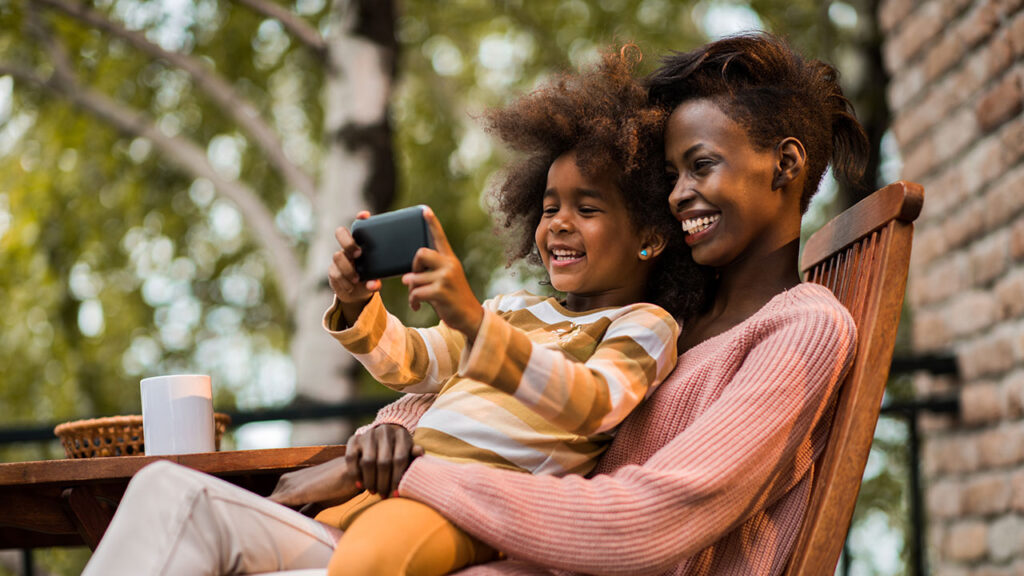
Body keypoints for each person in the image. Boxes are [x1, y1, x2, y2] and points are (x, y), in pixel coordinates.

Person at [80, 49, 706, 576]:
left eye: (587, 209)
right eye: (548, 207)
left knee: (368, 558)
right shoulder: (514, 310)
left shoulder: (643, 326)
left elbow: (592, 401)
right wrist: (360, 304)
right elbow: (411, 363)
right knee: (167, 490)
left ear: (650, 235)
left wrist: (473, 322)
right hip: (370, 503)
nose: (559, 223)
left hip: (459, 514)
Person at [332, 32, 867, 575]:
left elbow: (647, 523)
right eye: (669, 178)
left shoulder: (801, 329)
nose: (678, 195)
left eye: (700, 166)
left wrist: (414, 474)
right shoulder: (667, 315)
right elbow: (478, 394)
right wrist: (391, 431)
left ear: (786, 164)